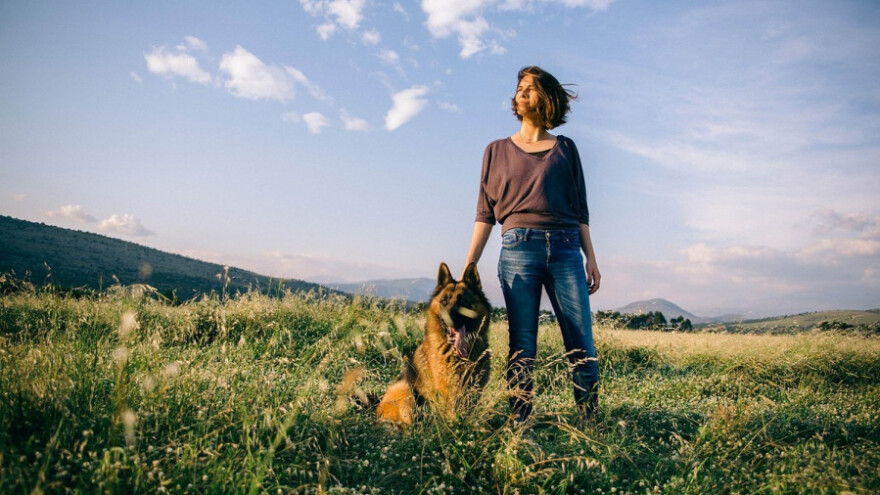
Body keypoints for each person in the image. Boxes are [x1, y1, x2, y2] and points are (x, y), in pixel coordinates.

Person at [463, 66, 601, 425]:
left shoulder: (566, 149)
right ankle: (519, 423)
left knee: (581, 342)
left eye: (530, 88)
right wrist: (469, 265)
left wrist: (591, 257)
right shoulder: (495, 151)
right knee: (522, 345)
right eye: (519, 88)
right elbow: (485, 213)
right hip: (518, 249)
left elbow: (581, 208)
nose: (521, 93)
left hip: (567, 249)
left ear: (547, 98)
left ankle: (589, 421)